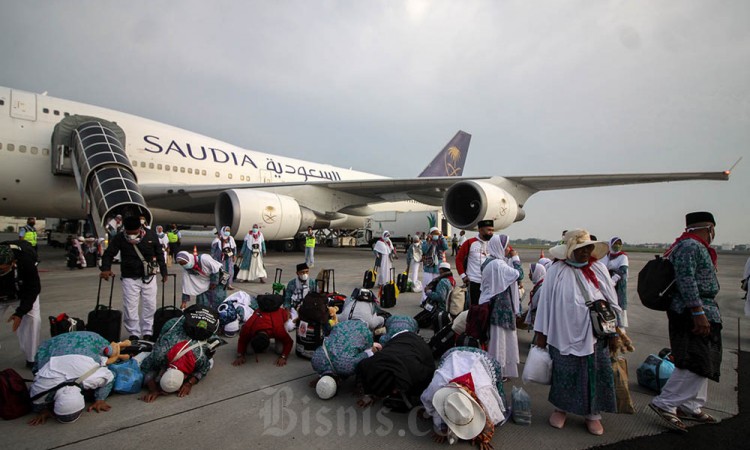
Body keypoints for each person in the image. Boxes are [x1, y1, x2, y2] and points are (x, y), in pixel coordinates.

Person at [534, 229, 621, 436]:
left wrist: (617, 331)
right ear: (569, 250)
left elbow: (612, 302)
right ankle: (561, 409)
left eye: (588, 248)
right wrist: (541, 333)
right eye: (580, 249)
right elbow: (545, 303)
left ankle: (593, 415)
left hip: (594, 335)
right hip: (561, 333)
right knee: (565, 372)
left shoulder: (598, 269)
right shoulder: (556, 271)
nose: (585, 252)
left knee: (594, 373)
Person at [649, 212, 722, 432]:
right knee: (694, 360)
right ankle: (667, 403)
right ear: (709, 228)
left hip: (702, 309)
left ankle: (691, 405)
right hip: (692, 312)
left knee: (704, 361)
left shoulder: (689, 245)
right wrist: (697, 312)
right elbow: (686, 279)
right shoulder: (690, 246)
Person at [421, 347, 507, 449]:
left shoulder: (484, 394)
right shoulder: (437, 385)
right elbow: (429, 402)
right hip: (452, 355)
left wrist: (484, 437)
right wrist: (441, 428)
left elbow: (492, 419)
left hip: (482, 358)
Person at [100, 215, 169, 341]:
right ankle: (134, 333)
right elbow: (109, 254)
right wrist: (105, 269)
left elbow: (159, 253)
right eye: (129, 233)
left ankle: (147, 331)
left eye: (134, 233)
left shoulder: (150, 235)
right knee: (130, 306)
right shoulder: (120, 238)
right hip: (129, 277)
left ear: (140, 227)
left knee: (150, 305)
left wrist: (164, 272)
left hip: (149, 277)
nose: (131, 236)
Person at [28, 331, 116, 425]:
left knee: (109, 353)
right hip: (55, 343)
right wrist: (100, 398)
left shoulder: (90, 379)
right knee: (38, 369)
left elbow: (110, 376)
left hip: (85, 339)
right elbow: (35, 399)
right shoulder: (41, 388)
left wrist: (100, 399)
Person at [140, 310, 217, 403]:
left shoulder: (199, 358)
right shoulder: (160, 354)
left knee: (211, 361)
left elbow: (205, 368)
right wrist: (153, 389)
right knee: (156, 346)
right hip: (175, 323)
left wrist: (189, 384)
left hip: (197, 327)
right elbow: (145, 366)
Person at [479, 234, 523, 379]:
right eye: (506, 246)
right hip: (500, 307)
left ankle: (498, 369)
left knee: (496, 339)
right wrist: (515, 258)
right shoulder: (498, 265)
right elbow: (519, 274)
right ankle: (499, 370)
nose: (508, 249)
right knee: (501, 339)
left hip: (491, 304)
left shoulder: (489, 261)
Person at [356, 330, 435, 409]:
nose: (394, 392)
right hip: (398, 341)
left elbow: (430, 381)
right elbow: (362, 371)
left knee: (414, 394)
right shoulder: (368, 364)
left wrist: (426, 409)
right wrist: (368, 394)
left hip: (418, 344)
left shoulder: (419, 373)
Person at [0, 240, 41, 368]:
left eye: (1, 269)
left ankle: (31, 358)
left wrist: (20, 312)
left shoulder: (26, 263)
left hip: (22, 293)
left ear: (13, 263)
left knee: (33, 321)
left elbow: (33, 289)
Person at [311, 319, 377, 384]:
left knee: (368, 353)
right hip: (342, 325)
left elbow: (366, 354)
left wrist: (371, 351)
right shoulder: (315, 361)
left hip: (360, 331)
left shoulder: (348, 368)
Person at [456, 220, 494, 306]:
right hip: (474, 282)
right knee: (474, 308)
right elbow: (459, 259)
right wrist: (463, 276)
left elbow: (508, 251)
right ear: (480, 230)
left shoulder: (495, 242)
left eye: (492, 230)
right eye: (488, 230)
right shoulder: (470, 242)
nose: (491, 232)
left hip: (490, 283)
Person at [601, 236, 629, 327]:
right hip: (606, 282)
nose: (617, 245)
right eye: (615, 243)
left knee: (618, 305)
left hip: (618, 284)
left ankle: (620, 327)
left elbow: (623, 270)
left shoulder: (623, 257)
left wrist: (613, 280)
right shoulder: (606, 255)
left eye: (619, 244)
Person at [421, 227, 449, 302]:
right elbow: (424, 250)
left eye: (437, 234)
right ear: (430, 234)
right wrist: (429, 241)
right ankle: (424, 300)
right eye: (434, 234)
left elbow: (446, 247)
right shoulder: (425, 242)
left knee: (436, 284)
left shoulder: (440, 242)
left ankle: (433, 300)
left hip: (438, 268)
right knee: (426, 283)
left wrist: (442, 237)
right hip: (428, 267)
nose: (435, 235)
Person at [211, 226, 237, 290]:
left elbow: (234, 248)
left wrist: (234, 255)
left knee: (230, 271)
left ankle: (229, 284)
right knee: (223, 271)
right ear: (223, 231)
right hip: (221, 259)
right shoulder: (217, 240)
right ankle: (223, 284)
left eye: (228, 231)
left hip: (229, 258)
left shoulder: (231, 239)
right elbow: (213, 250)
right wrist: (212, 258)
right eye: (226, 231)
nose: (228, 232)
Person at [524, 262, 546, 331]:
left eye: (531, 272)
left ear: (537, 273)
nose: (529, 275)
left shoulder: (542, 288)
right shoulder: (539, 285)